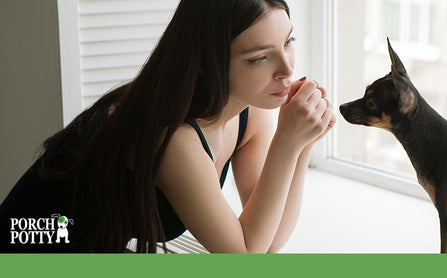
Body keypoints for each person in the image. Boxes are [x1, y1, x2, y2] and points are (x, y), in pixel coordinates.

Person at [0, 0, 335, 253]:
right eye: (260, 58)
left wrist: (303, 144)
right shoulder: (175, 139)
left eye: (288, 41)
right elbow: (242, 258)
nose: (288, 68)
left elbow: (267, 243)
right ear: (208, 61)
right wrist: (288, 142)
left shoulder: (251, 109)